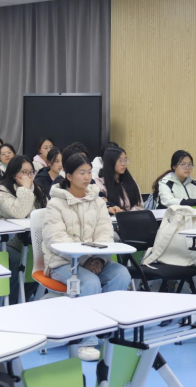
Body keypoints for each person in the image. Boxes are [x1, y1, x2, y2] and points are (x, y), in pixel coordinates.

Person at [43, 153, 131, 361]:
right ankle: (86, 340)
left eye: (89, 172)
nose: (86, 177)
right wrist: (84, 261)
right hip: (62, 263)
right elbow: (57, 239)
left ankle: (104, 329)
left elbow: (105, 233)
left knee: (121, 274)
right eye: (81, 172)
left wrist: (99, 260)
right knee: (89, 282)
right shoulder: (55, 204)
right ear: (69, 176)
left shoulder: (97, 201)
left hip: (94, 260)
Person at [0, 156, 48, 304]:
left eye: (30, 172)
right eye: (24, 172)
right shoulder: (0, 191)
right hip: (1, 240)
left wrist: (28, 189)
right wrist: (25, 189)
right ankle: (12, 302)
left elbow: (45, 213)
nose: (28, 176)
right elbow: (19, 213)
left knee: (46, 256)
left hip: (26, 238)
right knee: (15, 258)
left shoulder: (37, 189)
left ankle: (26, 297)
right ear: (14, 173)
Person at [94, 146, 143, 214]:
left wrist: (127, 214)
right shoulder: (99, 184)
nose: (123, 164)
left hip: (132, 218)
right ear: (110, 162)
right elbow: (101, 207)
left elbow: (139, 205)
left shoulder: (131, 181)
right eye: (120, 160)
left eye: (125, 160)